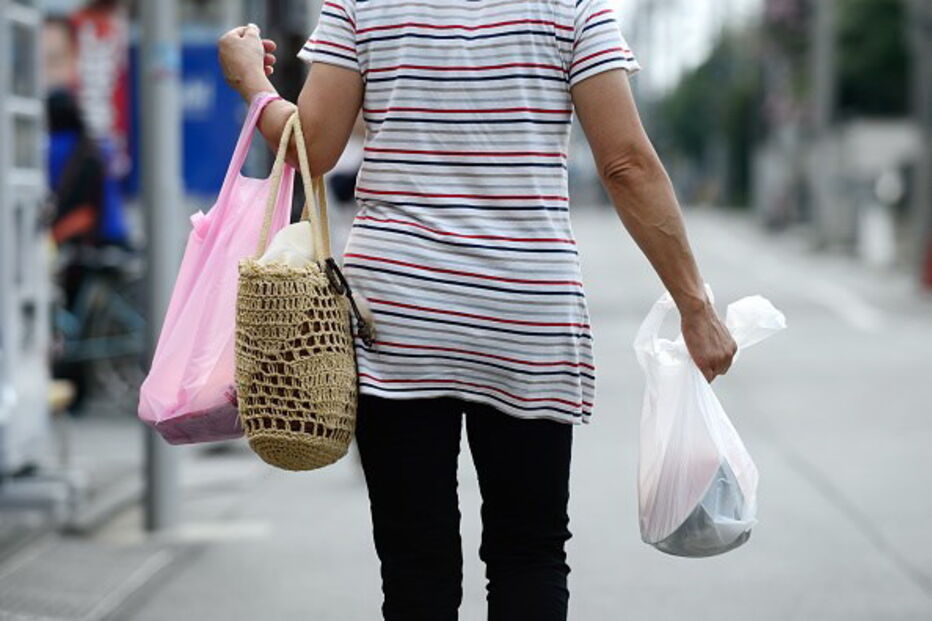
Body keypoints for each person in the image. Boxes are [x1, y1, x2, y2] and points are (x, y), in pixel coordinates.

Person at [218, 2, 736, 619]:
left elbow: (314, 147)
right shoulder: (571, 8)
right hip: (525, 316)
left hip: (398, 320)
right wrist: (694, 305)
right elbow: (626, 164)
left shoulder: (362, 5)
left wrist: (253, 81)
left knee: (416, 567)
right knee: (530, 553)